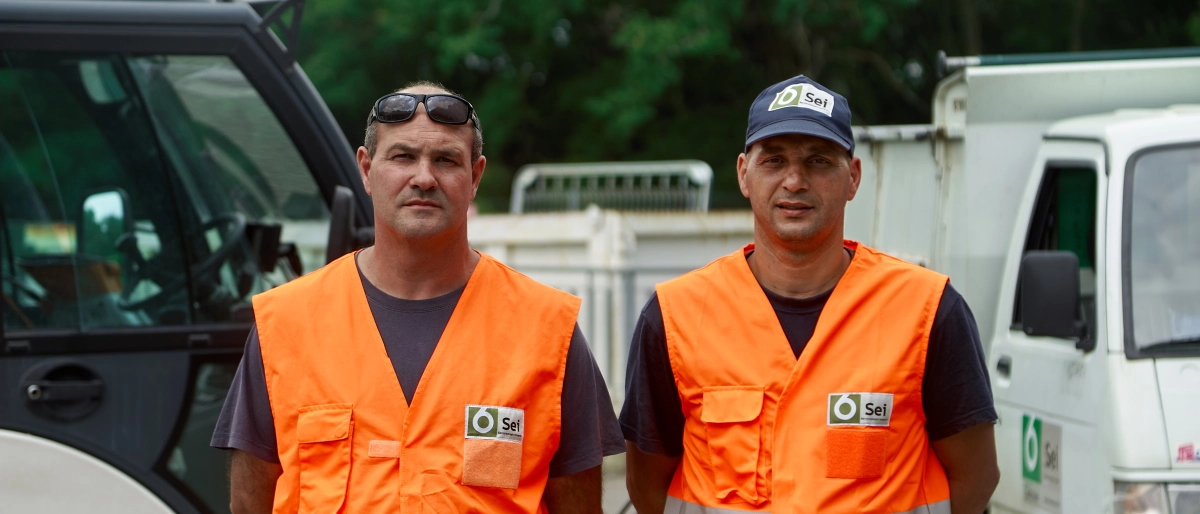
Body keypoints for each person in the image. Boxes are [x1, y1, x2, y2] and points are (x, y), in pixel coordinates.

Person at [211, 81, 624, 514]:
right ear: (367, 170)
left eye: (445, 160)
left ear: (475, 176)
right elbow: (249, 500)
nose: (424, 178)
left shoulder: (547, 330)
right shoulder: (287, 323)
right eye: (403, 156)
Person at [621, 75, 999, 513]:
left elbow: (976, 476)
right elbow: (647, 483)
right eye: (774, 161)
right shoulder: (675, 316)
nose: (795, 181)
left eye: (819, 161)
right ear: (744, 173)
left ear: (853, 178)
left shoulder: (927, 310)